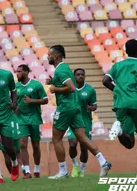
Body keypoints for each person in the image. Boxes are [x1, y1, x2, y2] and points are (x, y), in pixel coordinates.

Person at [47, 45, 111, 179]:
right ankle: (103, 162)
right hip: (75, 107)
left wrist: (54, 89)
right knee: (82, 137)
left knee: (56, 138)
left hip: (65, 107)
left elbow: (70, 88)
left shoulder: (60, 70)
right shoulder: (65, 68)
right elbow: (68, 84)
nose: (48, 57)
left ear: (56, 56)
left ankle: (63, 171)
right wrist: (52, 82)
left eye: (49, 55)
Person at [103, 39, 137, 178]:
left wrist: (117, 91)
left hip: (121, 104)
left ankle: (121, 131)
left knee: (130, 143)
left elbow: (105, 80)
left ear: (126, 51)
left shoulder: (118, 65)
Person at [15, 64, 48, 179]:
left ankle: (37, 169)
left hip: (34, 118)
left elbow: (45, 100)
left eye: (19, 71)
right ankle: (27, 171)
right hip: (21, 119)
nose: (17, 73)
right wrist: (14, 108)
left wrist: (32, 100)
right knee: (22, 144)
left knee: (35, 145)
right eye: (17, 71)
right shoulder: (15, 86)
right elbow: (12, 101)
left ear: (26, 72)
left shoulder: (36, 85)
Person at [67, 68, 97, 178]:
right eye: (78, 74)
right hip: (72, 121)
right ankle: (75, 165)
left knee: (84, 147)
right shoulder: (70, 88)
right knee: (72, 144)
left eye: (82, 74)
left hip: (86, 122)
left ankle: (82, 170)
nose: (80, 76)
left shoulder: (90, 90)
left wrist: (91, 108)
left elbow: (95, 105)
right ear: (74, 77)